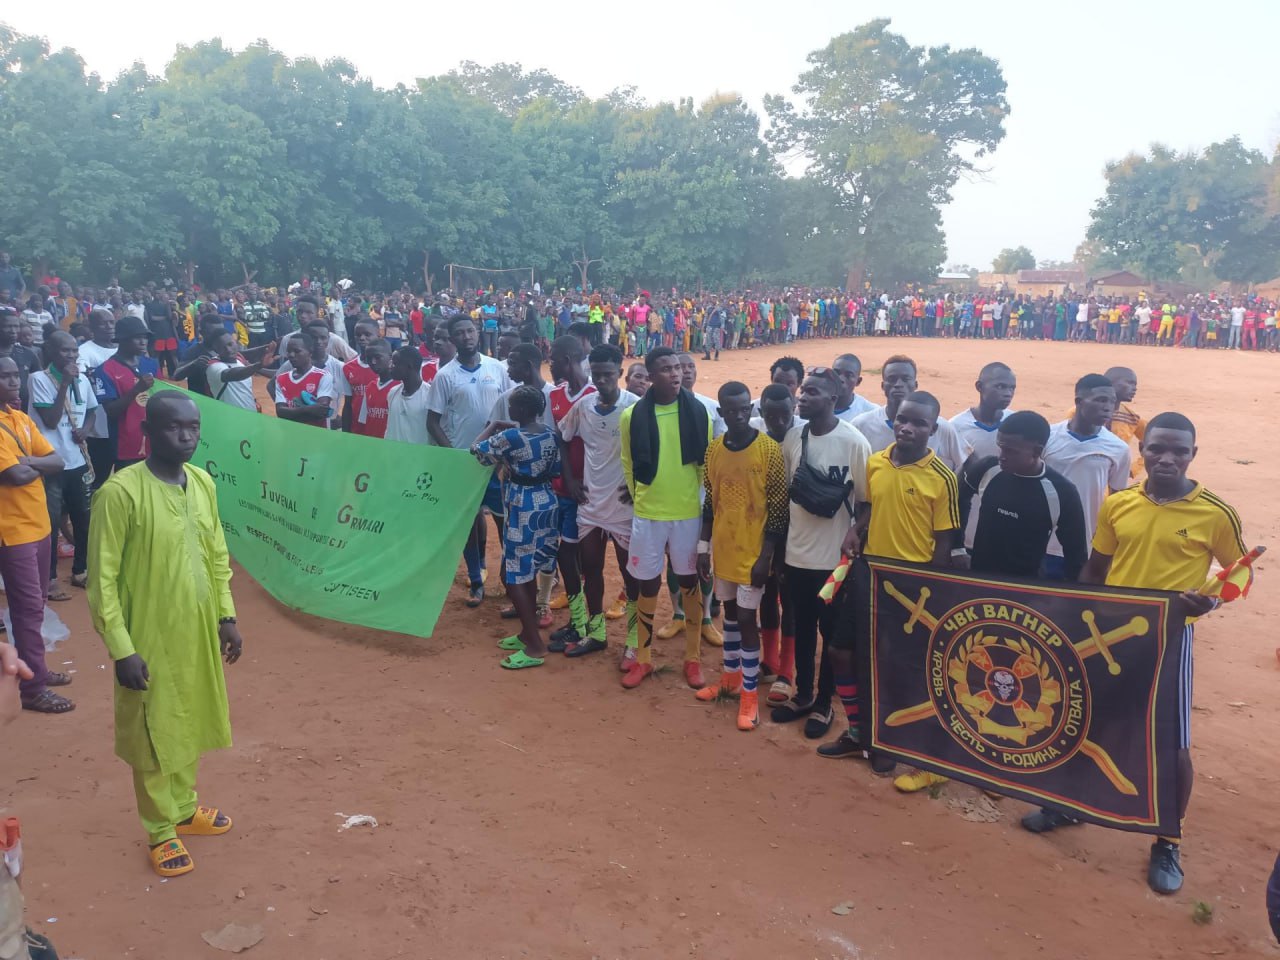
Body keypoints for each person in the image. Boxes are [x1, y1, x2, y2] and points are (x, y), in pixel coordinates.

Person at [1026, 412, 1246, 897]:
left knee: (1171, 742)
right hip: (1108, 636)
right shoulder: (1119, 503)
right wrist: (1076, 616)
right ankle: (1070, 804)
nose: (1167, 458)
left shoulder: (1214, 513)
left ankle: (1168, 835)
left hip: (1170, 639)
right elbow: (1096, 567)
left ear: (1193, 455)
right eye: (1157, 449)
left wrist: (1210, 599)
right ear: (1142, 451)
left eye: (1179, 451)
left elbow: (1239, 571)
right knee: (1086, 721)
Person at [88, 392, 244, 878]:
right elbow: (102, 580)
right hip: (147, 634)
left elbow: (217, 552)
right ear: (148, 433)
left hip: (196, 627)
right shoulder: (120, 494)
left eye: (194, 428)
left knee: (188, 715)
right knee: (154, 731)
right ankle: (160, 830)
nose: (187, 437)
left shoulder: (202, 483)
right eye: (175, 428)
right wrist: (122, 649)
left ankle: (183, 807)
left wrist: (226, 615)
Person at [846, 390, 961, 789]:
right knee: (862, 655)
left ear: (933, 429)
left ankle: (895, 743)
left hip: (914, 589)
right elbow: (869, 507)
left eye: (919, 423)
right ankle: (864, 734)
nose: (907, 428)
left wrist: (932, 589)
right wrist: (855, 531)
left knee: (903, 666)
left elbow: (944, 541)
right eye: (902, 420)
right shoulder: (876, 463)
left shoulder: (942, 477)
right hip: (870, 575)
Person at [772, 368, 871, 742]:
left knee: (829, 633)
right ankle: (803, 695)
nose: (803, 397)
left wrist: (854, 532)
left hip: (834, 562)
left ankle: (824, 703)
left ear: (832, 398)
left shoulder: (854, 442)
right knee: (799, 626)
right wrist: (780, 550)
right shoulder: (793, 438)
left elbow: (866, 502)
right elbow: (786, 498)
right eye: (803, 392)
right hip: (797, 555)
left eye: (812, 392)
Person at [695, 381, 788, 731]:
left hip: (754, 553)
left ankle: (750, 695)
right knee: (731, 616)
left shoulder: (768, 450)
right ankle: (730, 679)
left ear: (752, 410)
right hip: (724, 548)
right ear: (720, 412)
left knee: (749, 619)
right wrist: (703, 548)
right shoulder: (713, 450)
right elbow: (710, 502)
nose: (736, 415)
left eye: (743, 409)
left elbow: (778, 511)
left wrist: (766, 558)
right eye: (729, 410)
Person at [618, 346, 711, 689]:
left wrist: (702, 507)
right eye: (666, 369)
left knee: (689, 583)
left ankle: (692, 657)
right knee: (646, 583)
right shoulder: (632, 416)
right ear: (651, 376)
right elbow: (627, 462)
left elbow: (706, 465)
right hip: (650, 514)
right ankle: (643, 659)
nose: (675, 374)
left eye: (677, 368)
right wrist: (643, 493)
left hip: (688, 512)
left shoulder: (698, 411)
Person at [557, 344, 640, 661]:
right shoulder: (583, 407)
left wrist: (638, 487)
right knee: (590, 568)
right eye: (597, 374)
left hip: (623, 507)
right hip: (590, 503)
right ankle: (596, 632)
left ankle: (633, 639)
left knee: (630, 574)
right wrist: (570, 480)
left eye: (608, 374)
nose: (602, 380)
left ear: (619, 374)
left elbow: (652, 452)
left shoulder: (635, 407)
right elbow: (561, 438)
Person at [0, 356, 72, 714]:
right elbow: (12, 476)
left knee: (37, 603)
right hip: (13, 533)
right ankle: (33, 689)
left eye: (16, 375)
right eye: (6, 376)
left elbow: (58, 460)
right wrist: (31, 465)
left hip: (39, 525)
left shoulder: (18, 418)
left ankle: (36, 670)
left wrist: (28, 463)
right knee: (28, 609)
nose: (15, 382)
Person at [471, 385, 561, 669]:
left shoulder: (510, 436)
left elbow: (476, 450)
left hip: (522, 507)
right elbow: (557, 467)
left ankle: (535, 646)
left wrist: (494, 426)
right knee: (531, 568)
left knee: (515, 576)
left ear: (520, 410)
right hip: (546, 502)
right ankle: (527, 632)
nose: (509, 411)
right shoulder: (550, 433)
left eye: (512, 407)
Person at [428, 314, 512, 605]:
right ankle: (476, 580)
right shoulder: (445, 376)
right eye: (460, 333)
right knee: (468, 526)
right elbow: (433, 422)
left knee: (505, 524)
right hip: (464, 462)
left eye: (470, 331)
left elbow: (509, 409)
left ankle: (508, 580)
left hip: (498, 462)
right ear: (452, 339)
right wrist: (454, 455)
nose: (466, 336)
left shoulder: (497, 368)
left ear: (478, 333)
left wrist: (506, 453)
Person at [958, 411, 1087, 579]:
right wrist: (957, 548)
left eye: (1010, 451)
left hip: (1026, 590)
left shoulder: (1063, 492)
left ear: (1037, 451)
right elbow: (957, 501)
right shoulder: (988, 468)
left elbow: (1076, 554)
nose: (1001, 456)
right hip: (978, 579)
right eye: (1001, 448)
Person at [1042, 374, 1131, 579]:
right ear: (1079, 402)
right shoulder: (1048, 435)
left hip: (1085, 545)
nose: (1108, 407)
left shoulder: (1118, 449)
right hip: (1041, 541)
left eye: (1111, 401)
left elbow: (1118, 501)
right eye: (1101, 400)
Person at [29, 331, 98, 595]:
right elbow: (50, 420)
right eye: (64, 351)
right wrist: (65, 384)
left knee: (83, 518)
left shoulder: (82, 379)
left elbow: (92, 411)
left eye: (73, 351)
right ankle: (49, 579)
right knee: (51, 522)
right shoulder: (39, 379)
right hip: (51, 462)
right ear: (51, 352)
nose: (71, 355)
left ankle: (81, 570)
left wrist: (86, 430)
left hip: (77, 460)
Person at [542, 336, 597, 651]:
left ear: (565, 360)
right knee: (567, 554)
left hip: (591, 493)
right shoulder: (555, 396)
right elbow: (559, 440)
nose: (550, 365)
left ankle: (587, 621)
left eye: (552, 359)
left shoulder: (595, 394)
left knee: (583, 558)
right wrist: (566, 478)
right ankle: (578, 620)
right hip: (564, 489)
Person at [751, 383, 799, 703]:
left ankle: (788, 669)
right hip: (762, 529)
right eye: (771, 416)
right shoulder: (755, 434)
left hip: (796, 532)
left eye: (785, 416)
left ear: (794, 409)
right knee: (767, 596)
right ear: (761, 412)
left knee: (790, 597)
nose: (778, 423)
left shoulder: (804, 435)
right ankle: (768, 660)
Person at [850, 355, 969, 473]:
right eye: (891, 379)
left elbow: (964, 463)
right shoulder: (862, 425)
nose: (898, 384)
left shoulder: (941, 427)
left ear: (915, 385)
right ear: (882, 386)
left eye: (906, 379)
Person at [950, 362, 1016, 552]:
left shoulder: (1016, 425)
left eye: (1012, 388)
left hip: (1005, 525)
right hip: (967, 525)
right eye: (1000, 386)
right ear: (979, 387)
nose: (1008, 393)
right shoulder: (956, 427)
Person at [92, 315, 159, 474]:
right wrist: (137, 389)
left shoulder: (150, 364)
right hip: (126, 447)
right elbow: (111, 411)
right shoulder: (105, 370)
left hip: (155, 442)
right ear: (122, 340)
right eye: (137, 338)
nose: (143, 342)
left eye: (145, 338)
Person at [273, 330, 336, 427]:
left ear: (310, 352)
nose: (291, 355)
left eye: (297, 351)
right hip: (289, 437)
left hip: (316, 436)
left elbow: (320, 413)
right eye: (289, 351)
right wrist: (308, 409)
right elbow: (280, 412)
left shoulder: (323, 376)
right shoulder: (281, 379)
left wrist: (291, 413)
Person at [206, 329, 271, 411]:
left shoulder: (239, 359)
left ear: (236, 342)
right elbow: (232, 374)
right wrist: (259, 365)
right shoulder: (214, 366)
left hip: (251, 416)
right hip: (230, 419)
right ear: (216, 350)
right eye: (222, 348)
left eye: (230, 344)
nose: (228, 350)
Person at [1105, 366, 1146, 479]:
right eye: (1130, 383)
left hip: (1115, 483)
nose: (1134, 389)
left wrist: (1134, 469)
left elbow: (1152, 440)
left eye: (1135, 385)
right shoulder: (1079, 412)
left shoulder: (1132, 418)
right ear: (1110, 383)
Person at [385, 345, 431, 444]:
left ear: (409, 366)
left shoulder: (430, 395)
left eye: (394, 363)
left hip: (420, 456)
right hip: (394, 456)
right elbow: (390, 428)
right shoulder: (392, 393)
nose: (390, 366)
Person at [832, 354, 877, 421]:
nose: (840, 379)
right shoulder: (815, 404)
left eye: (848, 375)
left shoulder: (870, 412)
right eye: (836, 373)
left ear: (858, 381)